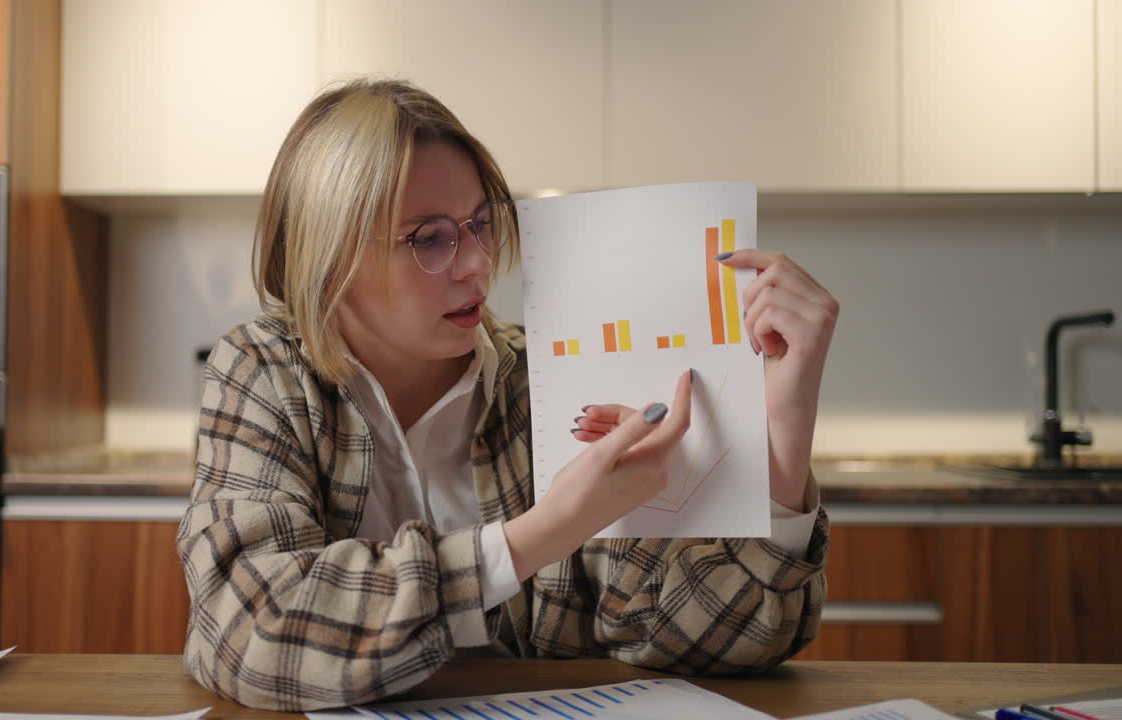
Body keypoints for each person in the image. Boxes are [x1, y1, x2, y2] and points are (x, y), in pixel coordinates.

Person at [177, 77, 838, 711]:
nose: (476, 264)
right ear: (330, 259)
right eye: (429, 238)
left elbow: (709, 639)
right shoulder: (263, 371)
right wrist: (544, 532)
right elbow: (250, 629)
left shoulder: (544, 379)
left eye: (481, 224)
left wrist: (780, 438)